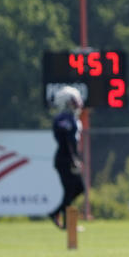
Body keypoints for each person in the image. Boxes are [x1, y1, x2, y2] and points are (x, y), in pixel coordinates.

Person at [47, 85, 85, 229]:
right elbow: (67, 140)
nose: (77, 103)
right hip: (64, 159)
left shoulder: (71, 118)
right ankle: (64, 221)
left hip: (68, 158)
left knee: (76, 189)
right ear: (66, 101)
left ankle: (58, 215)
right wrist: (73, 158)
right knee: (71, 190)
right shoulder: (63, 118)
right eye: (73, 100)